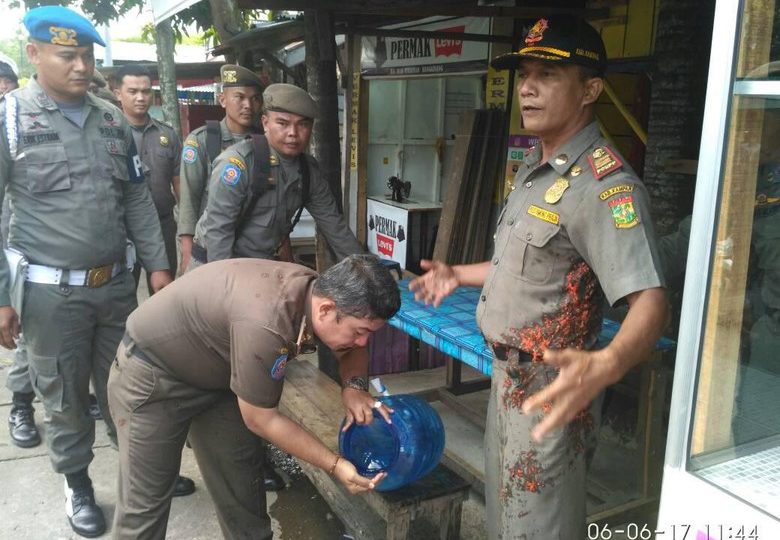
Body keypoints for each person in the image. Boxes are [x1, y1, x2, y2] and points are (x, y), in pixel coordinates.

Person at [409, 16, 668, 539]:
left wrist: (609, 363)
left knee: (541, 528)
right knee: (507, 520)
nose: (527, 87)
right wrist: (458, 274)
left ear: (590, 89)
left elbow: (651, 300)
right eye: (525, 73)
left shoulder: (604, 186)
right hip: (505, 378)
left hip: (554, 388)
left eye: (547, 75)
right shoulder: (535, 168)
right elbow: (522, 268)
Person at [0, 6, 173, 537]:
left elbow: (137, 200)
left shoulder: (111, 117)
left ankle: (137, 476)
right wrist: (2, 297)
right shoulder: (9, 118)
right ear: (33, 55)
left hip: (116, 288)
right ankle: (77, 485)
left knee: (130, 387)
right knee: (64, 395)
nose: (81, 66)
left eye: (88, 55)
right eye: (67, 55)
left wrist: (159, 270)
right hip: (50, 295)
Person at [107, 254, 400, 539]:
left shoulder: (317, 292)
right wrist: (335, 465)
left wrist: (355, 387)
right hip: (153, 378)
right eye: (360, 331)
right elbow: (262, 419)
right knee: (143, 510)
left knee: (243, 496)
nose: (364, 342)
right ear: (325, 310)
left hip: (219, 379)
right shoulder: (268, 321)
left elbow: (354, 347)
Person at [190, 83, 363, 267]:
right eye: (283, 123)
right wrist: (226, 288)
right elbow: (218, 234)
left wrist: (366, 271)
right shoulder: (239, 164)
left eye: (302, 125)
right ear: (265, 123)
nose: (293, 133)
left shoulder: (308, 172)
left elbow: (335, 226)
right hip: (212, 267)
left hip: (259, 267)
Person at [177, 64, 263, 273]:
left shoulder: (264, 143)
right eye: (239, 97)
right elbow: (189, 203)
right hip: (209, 252)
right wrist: (188, 255)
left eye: (254, 98)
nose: (248, 105)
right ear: (222, 99)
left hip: (252, 254)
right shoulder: (202, 141)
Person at [114, 64, 181, 289]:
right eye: (133, 92)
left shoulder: (167, 134)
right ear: (118, 94)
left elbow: (179, 182)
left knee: (164, 294)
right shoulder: (109, 136)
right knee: (123, 293)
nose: (141, 97)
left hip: (163, 225)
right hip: (123, 228)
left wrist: (187, 228)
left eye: (146, 91)